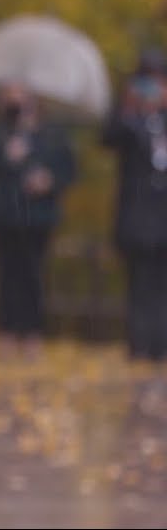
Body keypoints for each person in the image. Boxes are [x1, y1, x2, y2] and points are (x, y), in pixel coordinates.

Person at [0, 82, 75, 360]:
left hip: (38, 219)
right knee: (6, 277)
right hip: (3, 217)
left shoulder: (51, 135)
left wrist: (48, 181)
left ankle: (32, 334)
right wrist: (5, 155)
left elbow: (68, 170)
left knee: (33, 277)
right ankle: (6, 332)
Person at [102, 50, 167, 365]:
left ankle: (160, 346)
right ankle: (140, 347)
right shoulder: (129, 122)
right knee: (139, 284)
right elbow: (108, 137)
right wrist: (128, 105)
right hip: (138, 221)